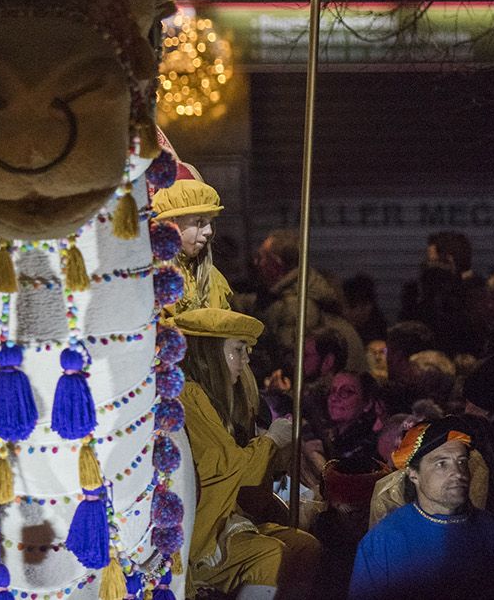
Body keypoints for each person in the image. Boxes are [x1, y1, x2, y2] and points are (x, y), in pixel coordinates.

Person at [173, 307, 319, 600]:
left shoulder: (219, 401)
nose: (247, 359)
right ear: (209, 354)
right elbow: (233, 468)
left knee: (305, 546)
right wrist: (272, 442)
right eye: (238, 349)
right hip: (204, 534)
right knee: (267, 554)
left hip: (228, 519)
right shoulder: (190, 398)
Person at [350, 417, 494, 598]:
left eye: (461, 462)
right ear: (413, 474)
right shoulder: (383, 542)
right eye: (441, 464)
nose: (457, 473)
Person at [253, 229, 366, 372]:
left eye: (261, 257)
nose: (255, 262)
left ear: (276, 263)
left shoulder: (298, 305)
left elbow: (294, 362)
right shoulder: (297, 294)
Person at [151, 178, 232, 313]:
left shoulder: (213, 279)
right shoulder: (148, 276)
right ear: (172, 223)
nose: (209, 231)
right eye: (199, 221)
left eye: (210, 222)